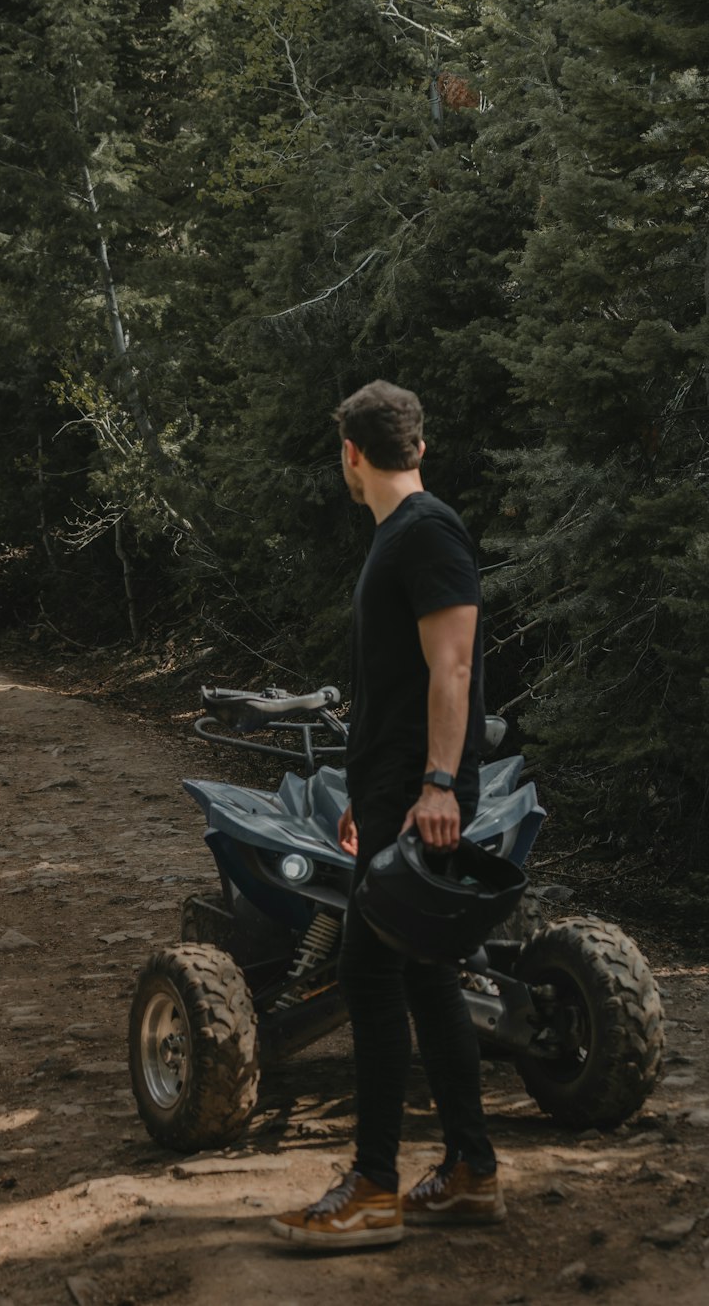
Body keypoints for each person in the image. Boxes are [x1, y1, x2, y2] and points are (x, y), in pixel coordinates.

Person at [270, 380, 505, 1250]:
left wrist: (438, 786)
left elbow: (453, 667)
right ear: (419, 444)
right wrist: (365, 800)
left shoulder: (428, 533)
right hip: (395, 798)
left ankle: (373, 1187)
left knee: (370, 977)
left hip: (426, 799)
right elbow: (397, 690)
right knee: (424, 974)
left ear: (351, 455)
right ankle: (472, 1172)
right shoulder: (400, 539)